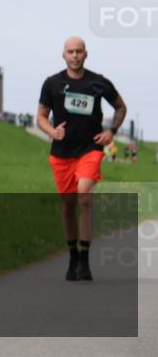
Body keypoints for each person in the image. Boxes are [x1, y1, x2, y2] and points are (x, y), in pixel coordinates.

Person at [37, 36, 127, 282]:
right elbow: (41, 116)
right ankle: (73, 256)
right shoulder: (52, 83)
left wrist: (111, 131)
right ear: (63, 55)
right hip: (62, 153)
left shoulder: (98, 82)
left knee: (84, 197)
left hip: (90, 149)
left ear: (86, 54)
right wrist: (52, 131)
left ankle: (85, 261)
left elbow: (121, 107)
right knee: (68, 205)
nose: (75, 55)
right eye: (70, 51)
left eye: (79, 51)